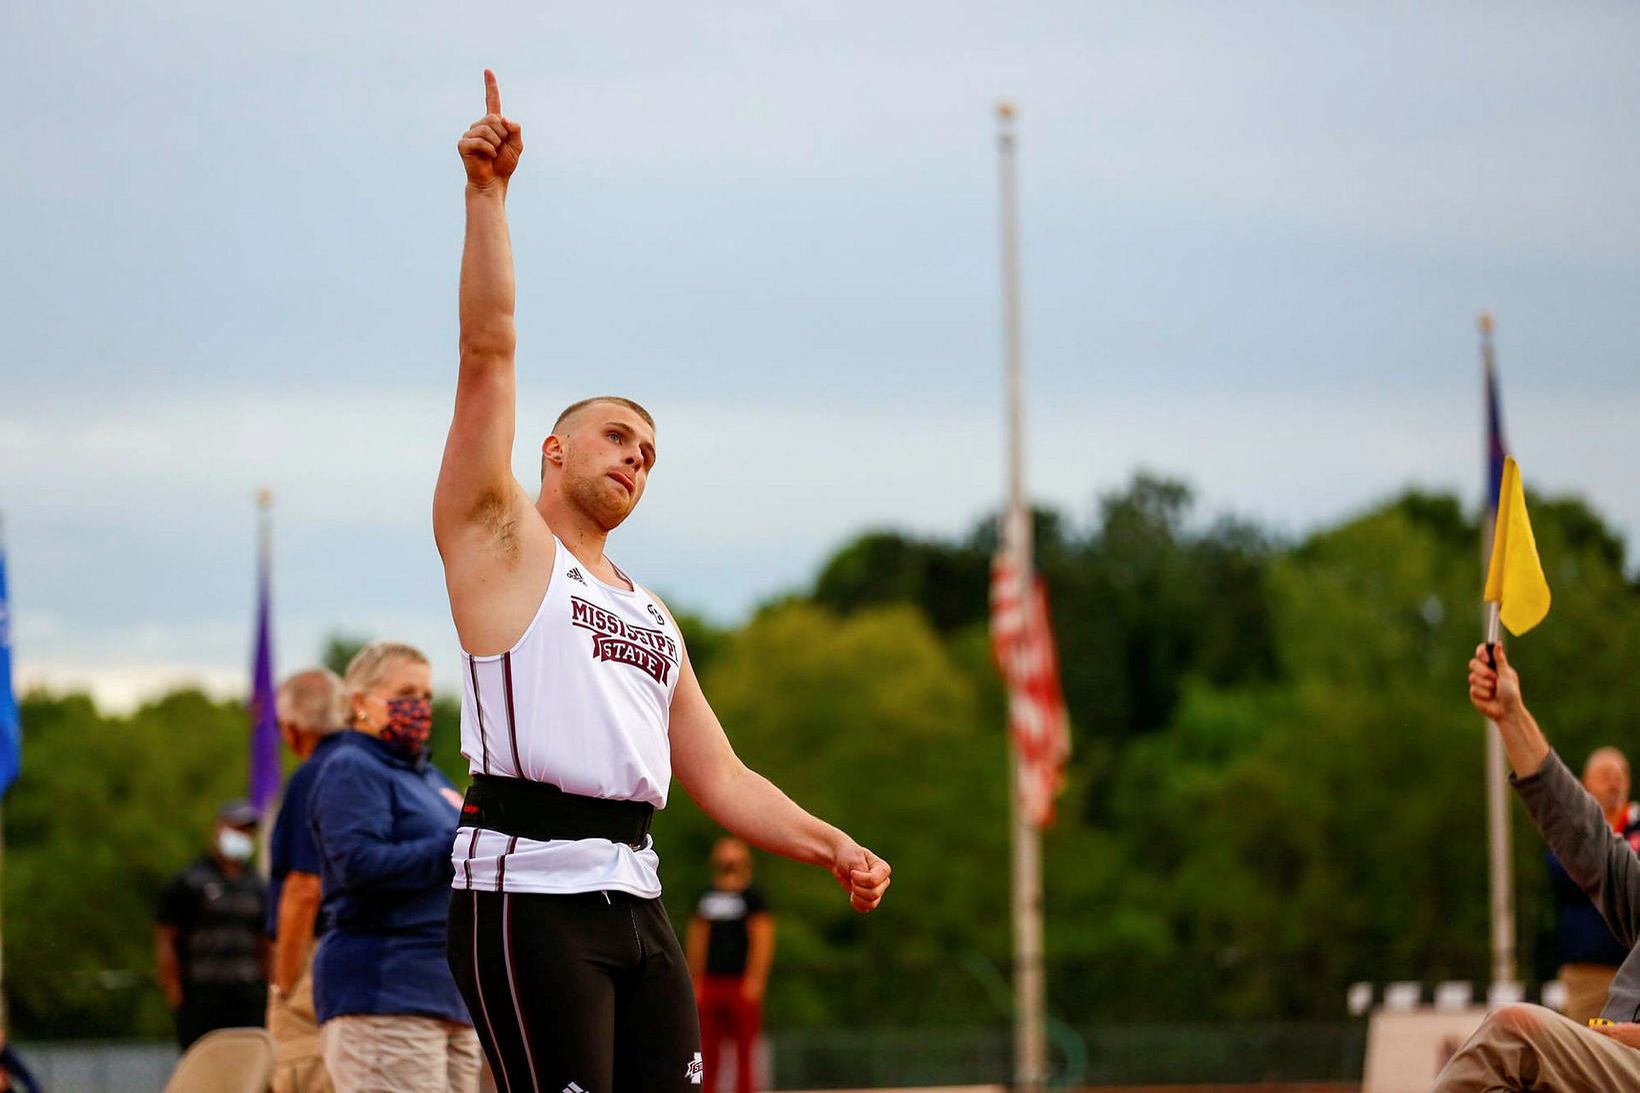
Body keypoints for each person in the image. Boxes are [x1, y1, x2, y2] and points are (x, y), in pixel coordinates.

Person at [435, 70, 893, 1091]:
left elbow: (719, 776)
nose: (636, 458)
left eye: (650, 452)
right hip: (527, 892)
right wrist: (488, 199)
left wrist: (830, 844)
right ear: (552, 451)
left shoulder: (649, 612)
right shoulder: (502, 546)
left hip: (633, 899)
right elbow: (486, 355)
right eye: (617, 436)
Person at [1433, 645, 1640, 1089]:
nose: (1616, 783)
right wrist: (1511, 717)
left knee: (1515, 1034)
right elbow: (1589, 844)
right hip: (1600, 1013)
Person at [308, 642, 479, 1093]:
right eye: (405, 693)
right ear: (360, 701)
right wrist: (457, 842)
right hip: (385, 992)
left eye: (424, 696)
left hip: (449, 996)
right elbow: (360, 866)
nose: (419, 707)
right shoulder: (352, 767)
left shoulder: (429, 777)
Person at [267, 667, 348, 1093]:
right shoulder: (379, 766)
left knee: (304, 1073)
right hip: (386, 967)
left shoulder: (315, 775)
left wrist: (284, 983)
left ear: (291, 729)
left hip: (319, 962)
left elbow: (304, 889)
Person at [154, 800, 269, 1050]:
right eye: (237, 829)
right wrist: (174, 993)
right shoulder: (189, 882)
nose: (243, 836)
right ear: (219, 829)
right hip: (202, 995)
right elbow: (167, 939)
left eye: (247, 831)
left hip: (247, 995)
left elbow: (265, 943)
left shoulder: (257, 886)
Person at [1547, 746, 1640, 1023]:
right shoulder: (1575, 826)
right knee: (1581, 1054)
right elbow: (1566, 872)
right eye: (1606, 775)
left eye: (1621, 775)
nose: (1615, 782)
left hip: (1635, 968)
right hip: (1589, 972)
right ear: (1586, 783)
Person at [688, 838, 774, 1093]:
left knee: (745, 1049)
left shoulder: (753, 897)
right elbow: (698, 938)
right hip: (711, 982)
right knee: (707, 1049)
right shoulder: (706, 896)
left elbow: (762, 939)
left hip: (740, 982)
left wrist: (755, 979)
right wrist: (696, 978)